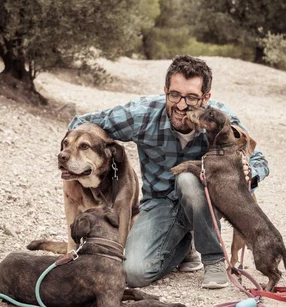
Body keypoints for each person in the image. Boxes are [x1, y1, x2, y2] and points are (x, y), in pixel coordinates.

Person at [67, 55, 269, 289]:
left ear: (206, 98)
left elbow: (260, 159)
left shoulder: (219, 119)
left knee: (188, 179)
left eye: (192, 98)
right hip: (159, 204)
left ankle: (213, 258)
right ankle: (183, 246)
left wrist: (248, 173)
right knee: (133, 274)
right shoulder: (142, 114)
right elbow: (81, 123)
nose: (182, 105)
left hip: (207, 203)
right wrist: (75, 170)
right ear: (165, 90)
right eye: (175, 95)